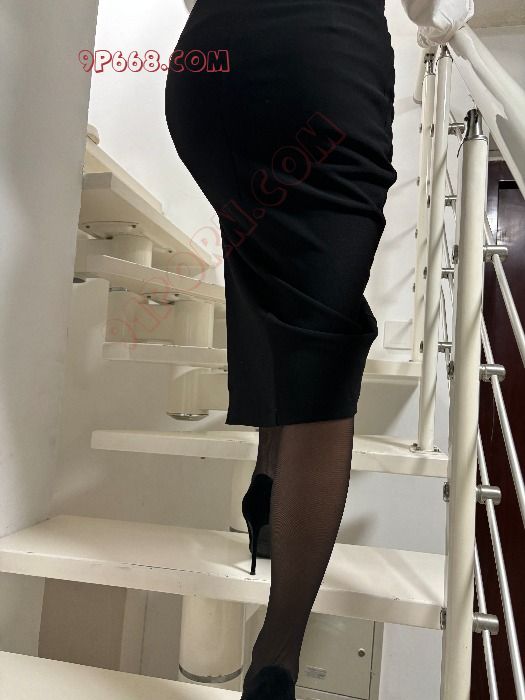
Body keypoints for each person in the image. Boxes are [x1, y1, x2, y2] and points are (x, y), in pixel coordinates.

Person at [164, 1, 474, 698]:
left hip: (210, 67)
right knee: (321, 335)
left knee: (257, 257)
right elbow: (439, 7)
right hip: (321, 63)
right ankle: (277, 657)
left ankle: (267, 482)